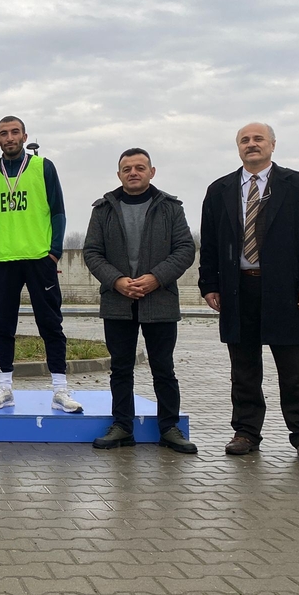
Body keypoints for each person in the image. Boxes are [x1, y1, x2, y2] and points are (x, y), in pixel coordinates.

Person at [199, 123, 299, 462]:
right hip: (237, 288)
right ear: (238, 147)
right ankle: (246, 432)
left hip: (285, 289)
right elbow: (209, 243)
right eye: (245, 140)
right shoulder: (219, 189)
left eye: (258, 139)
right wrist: (209, 284)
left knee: (293, 370)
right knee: (243, 369)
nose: (251, 144)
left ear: (272, 144)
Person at [83, 148, 197, 453]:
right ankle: (122, 426)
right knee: (120, 369)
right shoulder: (103, 209)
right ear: (119, 174)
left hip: (160, 300)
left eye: (140, 167)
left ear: (151, 172)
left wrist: (156, 277)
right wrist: (116, 281)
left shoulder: (170, 208)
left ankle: (169, 428)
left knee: (164, 368)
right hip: (117, 301)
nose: (133, 172)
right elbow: (92, 252)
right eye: (127, 169)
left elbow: (185, 249)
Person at [0, 116, 81, 412]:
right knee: (3, 326)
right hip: (4, 260)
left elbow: (58, 211)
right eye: (3, 133)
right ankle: (5, 388)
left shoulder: (43, 167)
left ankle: (60, 389)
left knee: (51, 324)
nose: (9, 138)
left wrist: (54, 252)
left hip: (39, 259)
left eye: (14, 132)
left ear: (24, 136)